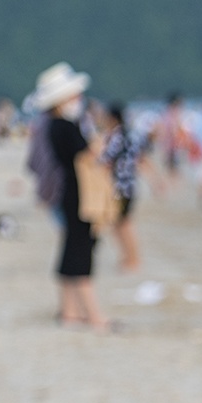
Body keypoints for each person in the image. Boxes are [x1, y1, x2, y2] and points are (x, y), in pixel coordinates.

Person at [32, 63, 113, 333]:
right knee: (81, 251)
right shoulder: (64, 126)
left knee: (70, 249)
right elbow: (87, 153)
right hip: (78, 193)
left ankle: (69, 311)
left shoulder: (51, 125)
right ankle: (93, 315)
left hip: (67, 192)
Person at [96, 101, 143, 272]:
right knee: (120, 223)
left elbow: (104, 159)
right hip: (129, 185)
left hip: (121, 187)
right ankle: (129, 257)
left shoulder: (117, 136)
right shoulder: (129, 135)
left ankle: (132, 259)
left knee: (123, 223)